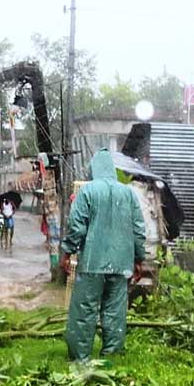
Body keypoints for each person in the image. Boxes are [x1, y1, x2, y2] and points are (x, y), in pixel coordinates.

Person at [59, 149, 145, 363]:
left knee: (84, 310)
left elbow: (76, 226)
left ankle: (80, 358)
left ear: (94, 169)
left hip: (92, 263)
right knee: (115, 312)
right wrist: (138, 259)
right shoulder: (128, 194)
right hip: (121, 264)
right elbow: (138, 230)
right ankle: (111, 357)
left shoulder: (87, 192)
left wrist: (67, 252)